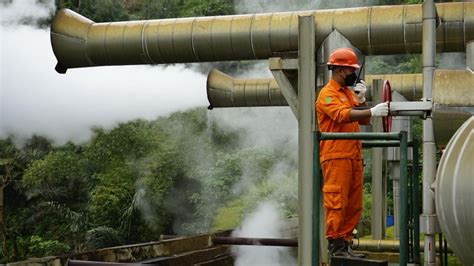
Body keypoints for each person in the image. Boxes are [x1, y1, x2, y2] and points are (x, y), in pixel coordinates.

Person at [315, 48, 389, 258]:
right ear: (339, 70)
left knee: (354, 203)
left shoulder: (348, 93)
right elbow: (341, 115)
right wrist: (373, 110)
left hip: (353, 156)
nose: (353, 75)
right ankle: (336, 248)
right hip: (336, 156)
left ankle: (345, 244)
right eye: (350, 71)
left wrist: (362, 99)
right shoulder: (327, 95)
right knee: (337, 201)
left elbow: (362, 119)